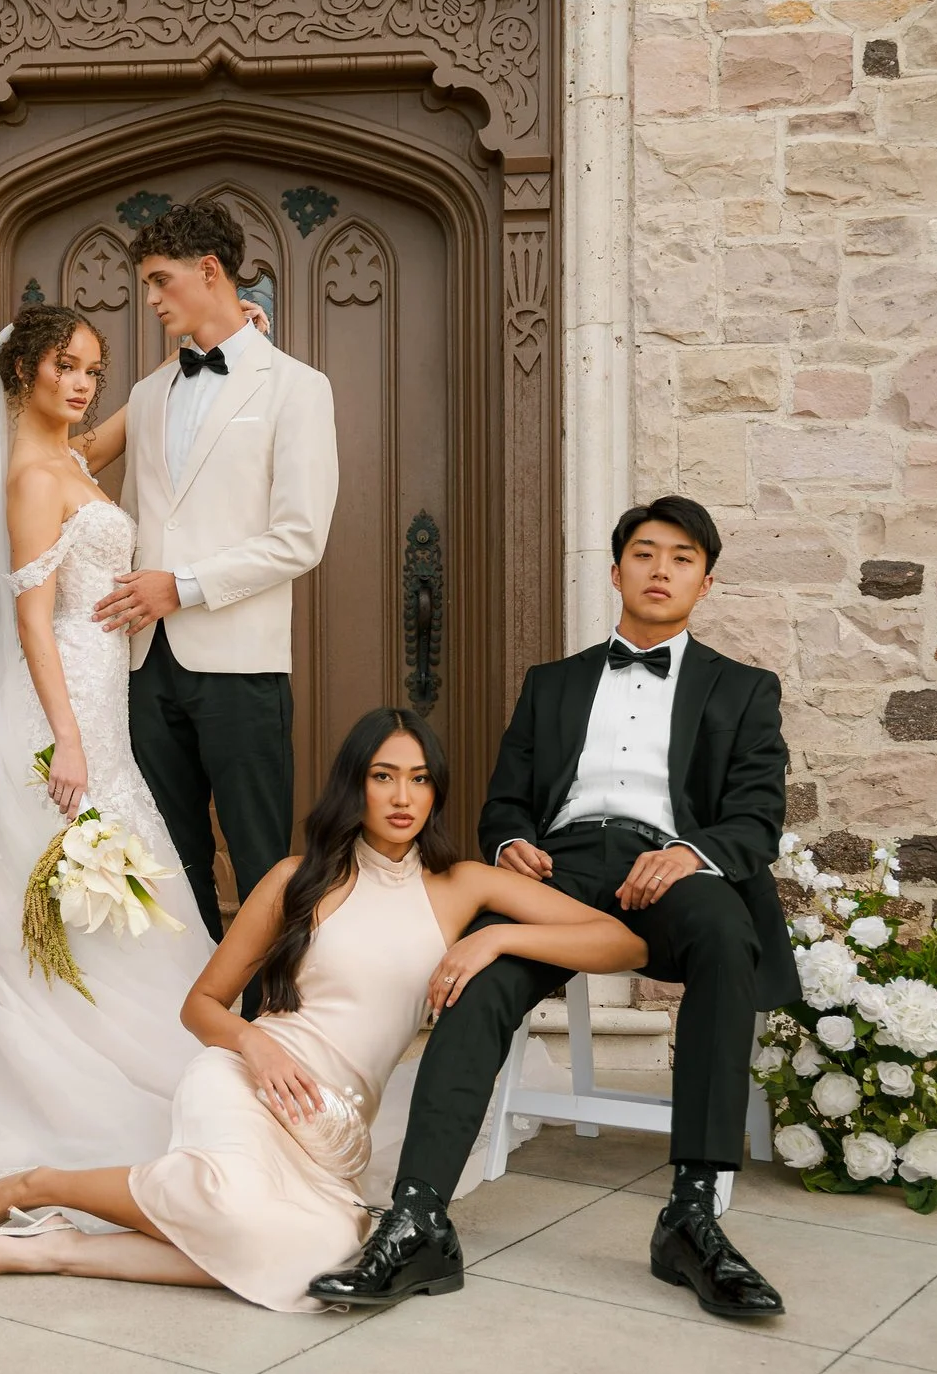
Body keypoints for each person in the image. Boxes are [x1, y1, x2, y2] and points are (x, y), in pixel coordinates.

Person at [0, 708, 643, 1310]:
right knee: (236, 1206)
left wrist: (496, 936)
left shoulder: (461, 885)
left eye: (420, 778)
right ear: (355, 784)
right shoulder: (296, 879)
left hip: (333, 1129)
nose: (404, 796)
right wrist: (257, 1046)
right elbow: (201, 1006)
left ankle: (50, 1243)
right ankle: (39, 1187)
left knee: (316, 1259)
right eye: (384, 775)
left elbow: (621, 940)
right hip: (248, 1082)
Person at [312, 495, 799, 1319]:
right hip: (563, 870)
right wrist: (510, 848)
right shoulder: (553, 684)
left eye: (682, 557)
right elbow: (505, 802)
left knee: (725, 928)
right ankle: (420, 1215)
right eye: (645, 553)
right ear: (616, 572)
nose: (660, 569)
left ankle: (692, 1214)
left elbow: (757, 815)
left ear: (705, 583)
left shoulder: (745, 690)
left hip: (678, 869)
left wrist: (689, 854)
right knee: (481, 972)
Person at [0, 307, 219, 1236]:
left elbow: (128, 422)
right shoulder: (35, 476)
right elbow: (34, 620)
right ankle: (55, 1085)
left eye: (94, 368)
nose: (83, 384)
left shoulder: (75, 457)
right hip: (68, 704)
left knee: (118, 884)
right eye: (65, 368)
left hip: (103, 698)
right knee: (52, 877)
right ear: (23, 375)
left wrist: (193, 350)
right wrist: (67, 739)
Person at [99, 201, 338, 964]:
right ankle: (188, 1000)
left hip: (240, 660)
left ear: (211, 272)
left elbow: (301, 537)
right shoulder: (145, 394)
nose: (153, 299)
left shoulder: (297, 388)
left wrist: (188, 585)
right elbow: (133, 516)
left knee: (261, 849)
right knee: (169, 854)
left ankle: (276, 1004)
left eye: (161, 281)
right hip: (143, 659)